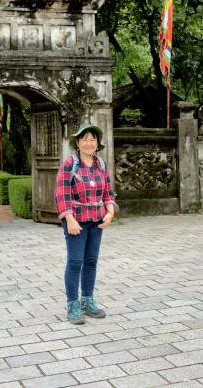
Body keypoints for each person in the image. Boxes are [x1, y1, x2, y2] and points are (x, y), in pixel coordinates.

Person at [54, 124, 118, 324]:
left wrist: (111, 211)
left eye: (92, 139)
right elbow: (61, 194)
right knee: (75, 262)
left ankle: (88, 300)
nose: (89, 143)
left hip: (96, 221)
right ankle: (73, 304)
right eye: (85, 139)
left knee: (91, 262)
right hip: (76, 222)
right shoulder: (69, 165)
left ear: (97, 144)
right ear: (78, 143)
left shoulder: (101, 165)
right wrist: (69, 218)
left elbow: (108, 192)